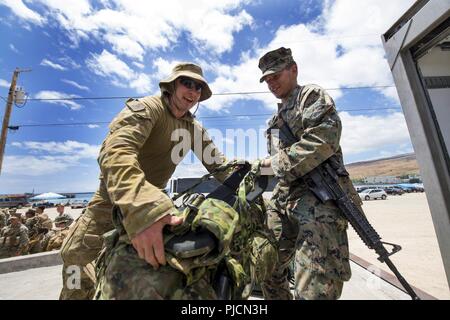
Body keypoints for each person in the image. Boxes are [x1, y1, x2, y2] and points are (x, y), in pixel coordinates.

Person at [60, 62, 235, 300]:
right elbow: (115, 154)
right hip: (110, 203)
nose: (193, 91)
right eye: (187, 83)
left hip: (155, 205)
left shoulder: (193, 129)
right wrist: (143, 206)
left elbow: (219, 166)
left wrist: (258, 170)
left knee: (151, 278)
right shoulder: (146, 109)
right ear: (172, 85)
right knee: (75, 261)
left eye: (199, 88)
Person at [255, 47, 362, 300]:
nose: (271, 83)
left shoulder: (310, 97)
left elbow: (323, 141)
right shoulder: (273, 122)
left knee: (315, 286)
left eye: (276, 75)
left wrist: (269, 164)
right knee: (264, 264)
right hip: (284, 201)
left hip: (319, 201)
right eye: (267, 79)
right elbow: (280, 168)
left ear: (293, 70)